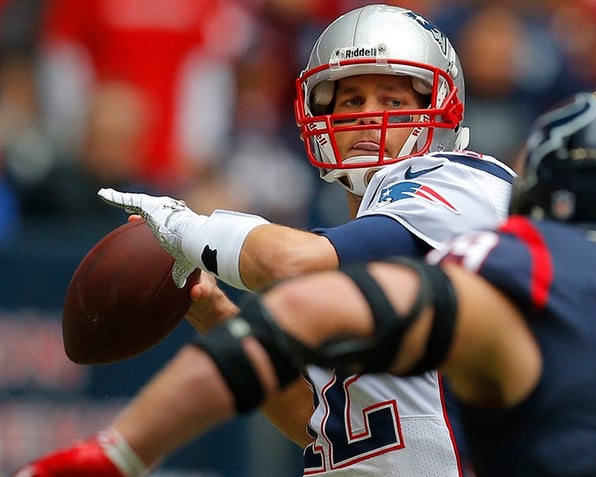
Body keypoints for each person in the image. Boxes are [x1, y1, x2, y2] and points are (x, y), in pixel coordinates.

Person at [16, 89, 596, 476]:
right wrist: (224, 317)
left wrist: (124, 450)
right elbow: (330, 419)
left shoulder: (529, 268)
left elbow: (307, 289)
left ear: (541, 200)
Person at [16, 4, 515, 476]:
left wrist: (184, 227)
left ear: (442, 109)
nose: (367, 115)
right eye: (351, 99)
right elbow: (323, 424)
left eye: (393, 100)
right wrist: (211, 310)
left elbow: (292, 263)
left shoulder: (463, 183)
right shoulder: (355, 236)